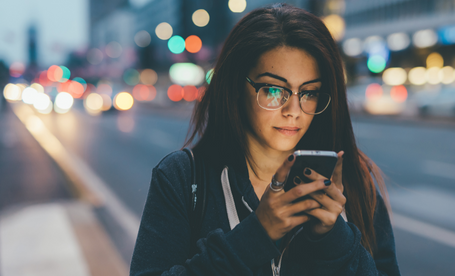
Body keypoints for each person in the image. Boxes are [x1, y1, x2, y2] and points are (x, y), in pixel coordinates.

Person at [130, 3, 400, 276]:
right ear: (236, 87)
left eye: (308, 93)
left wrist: (333, 237)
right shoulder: (183, 177)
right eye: (274, 89)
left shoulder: (353, 182)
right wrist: (256, 235)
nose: (293, 110)